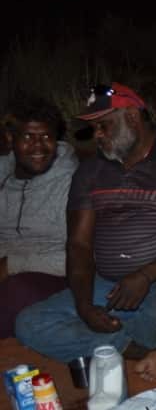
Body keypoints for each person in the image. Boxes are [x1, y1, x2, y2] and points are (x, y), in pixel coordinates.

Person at [15, 83, 156, 380]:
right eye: (94, 128)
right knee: (30, 323)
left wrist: (145, 275)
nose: (97, 135)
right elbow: (79, 245)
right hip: (110, 281)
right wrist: (84, 305)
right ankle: (130, 346)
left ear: (133, 117)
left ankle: (113, 339)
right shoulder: (90, 171)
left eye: (104, 126)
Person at [0, 95, 78, 337]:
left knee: (15, 292)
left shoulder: (72, 183)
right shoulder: (3, 173)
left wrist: (12, 264)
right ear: (11, 139)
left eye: (46, 137)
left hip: (52, 275)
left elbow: (81, 255)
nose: (38, 146)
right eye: (28, 137)